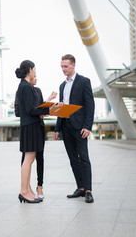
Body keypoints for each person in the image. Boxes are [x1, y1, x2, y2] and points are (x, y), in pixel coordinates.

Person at [16, 60, 61, 203]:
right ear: (30, 70)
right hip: (30, 126)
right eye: (34, 69)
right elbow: (31, 109)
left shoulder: (25, 86)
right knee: (28, 159)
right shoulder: (25, 87)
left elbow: (32, 108)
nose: (35, 71)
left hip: (31, 125)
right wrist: (51, 108)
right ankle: (24, 191)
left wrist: (49, 107)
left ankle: (28, 190)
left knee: (30, 159)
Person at [54, 54, 95, 203]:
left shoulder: (84, 81)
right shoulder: (62, 85)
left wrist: (87, 126)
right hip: (66, 127)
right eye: (61, 66)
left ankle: (89, 191)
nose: (63, 69)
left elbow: (90, 105)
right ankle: (81, 188)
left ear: (73, 65)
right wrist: (57, 128)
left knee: (84, 158)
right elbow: (61, 108)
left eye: (65, 66)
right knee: (73, 159)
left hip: (80, 128)